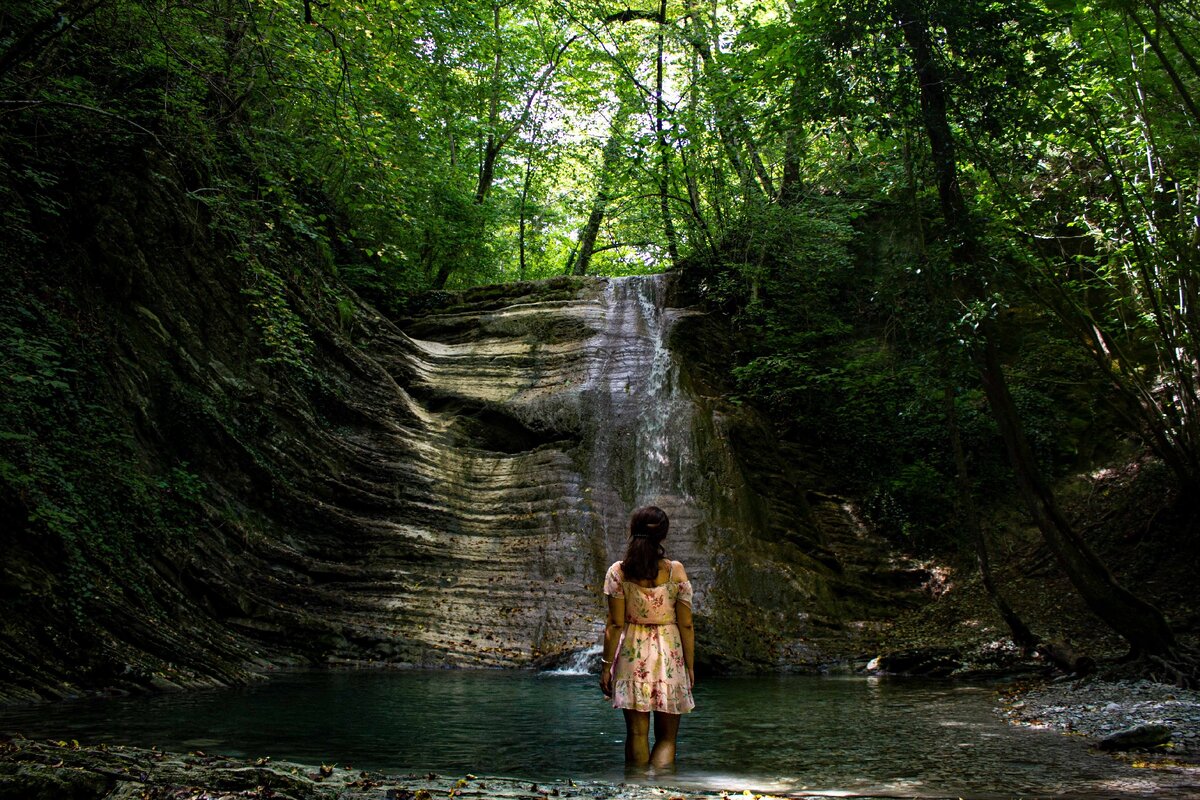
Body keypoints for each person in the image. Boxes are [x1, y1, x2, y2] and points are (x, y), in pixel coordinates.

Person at [599, 505, 696, 768]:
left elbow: (615, 624)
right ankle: (660, 793)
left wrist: (606, 666)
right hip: (670, 654)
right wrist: (689, 665)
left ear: (633, 531)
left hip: (633, 654)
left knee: (637, 733)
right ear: (662, 536)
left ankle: (636, 791)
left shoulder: (618, 572)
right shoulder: (675, 572)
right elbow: (686, 625)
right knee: (667, 738)